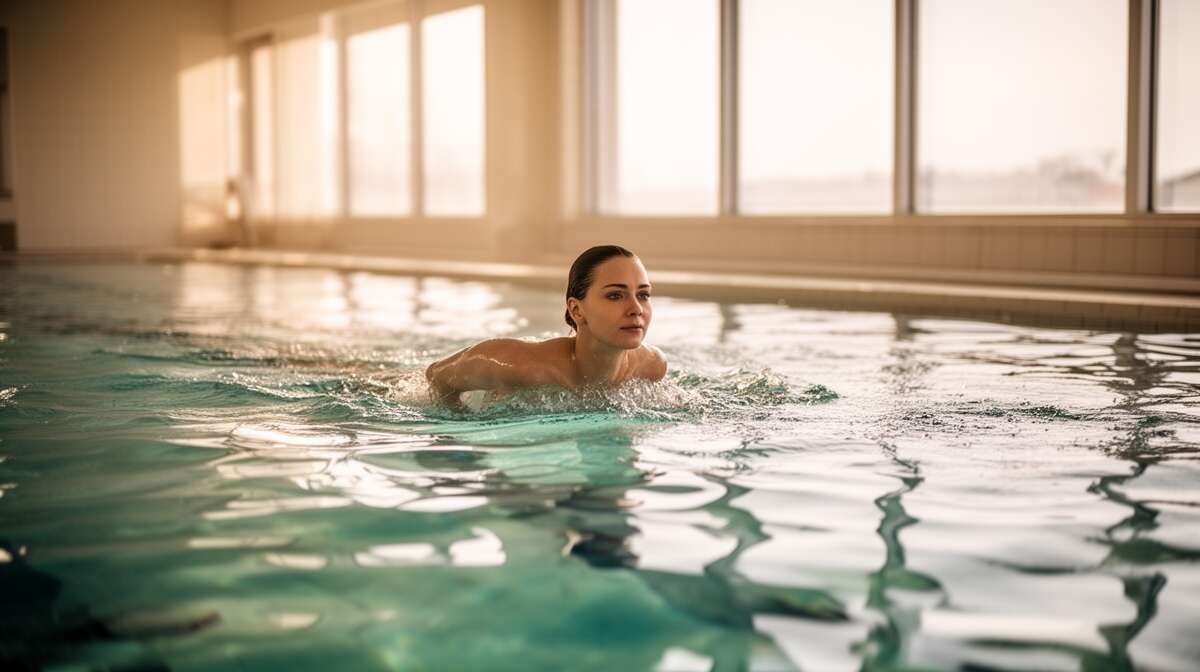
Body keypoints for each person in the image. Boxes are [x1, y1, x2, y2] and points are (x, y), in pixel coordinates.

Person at [426, 245, 667, 410]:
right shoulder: (525, 366)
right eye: (615, 295)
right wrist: (457, 427)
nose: (636, 309)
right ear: (576, 310)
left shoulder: (651, 366)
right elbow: (437, 375)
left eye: (643, 295)